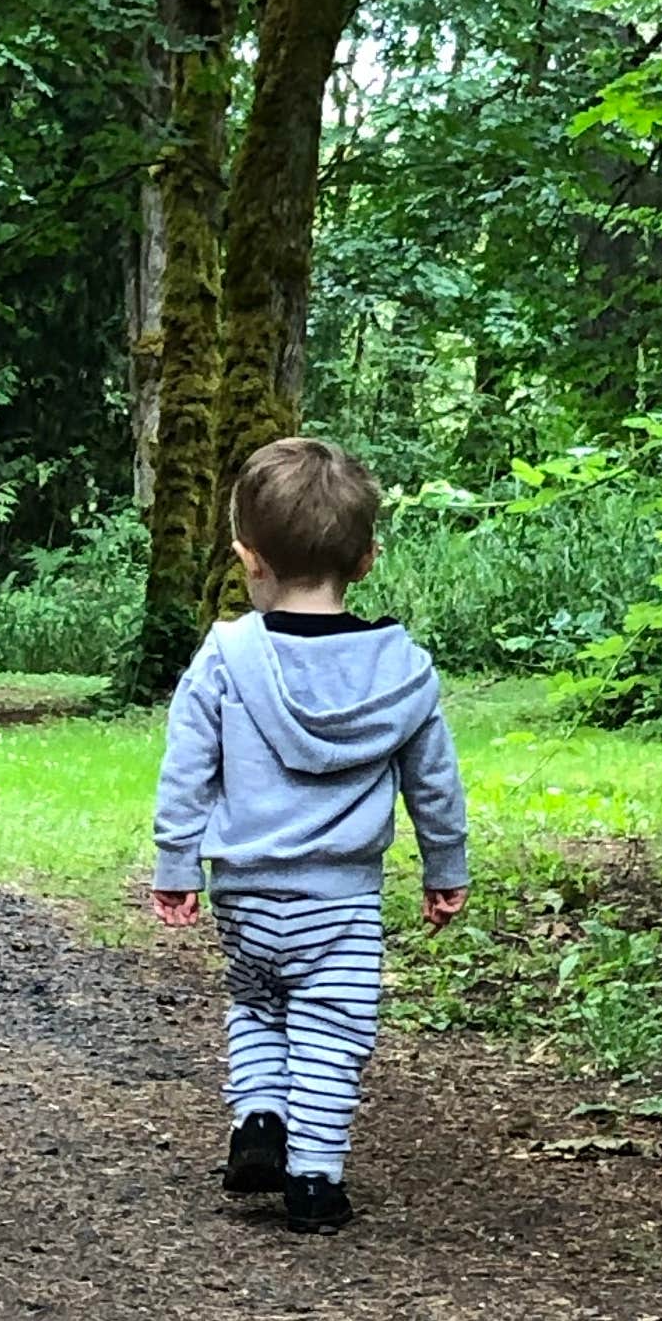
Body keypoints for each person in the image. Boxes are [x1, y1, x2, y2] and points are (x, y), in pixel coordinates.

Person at [150, 437, 468, 1231]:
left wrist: (176, 863)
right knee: (332, 1031)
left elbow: (188, 767)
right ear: (366, 560)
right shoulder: (401, 670)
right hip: (342, 904)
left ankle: (259, 1118)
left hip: (247, 896)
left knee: (258, 1006)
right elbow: (433, 782)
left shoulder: (225, 658)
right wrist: (445, 865)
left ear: (247, 559)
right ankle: (315, 1181)